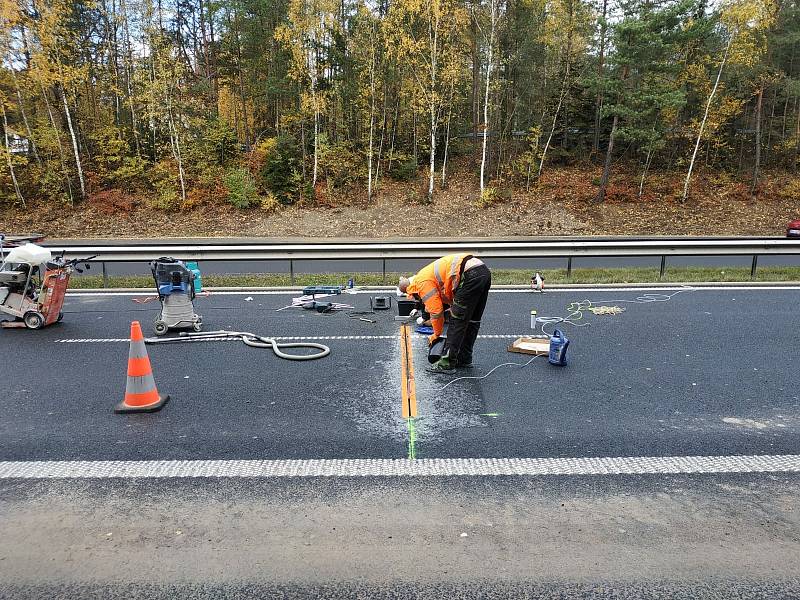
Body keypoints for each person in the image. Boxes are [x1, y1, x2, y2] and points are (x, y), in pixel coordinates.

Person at [399, 253, 491, 373]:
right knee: (473, 319)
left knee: (457, 320)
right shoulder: (424, 276)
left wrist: (436, 335)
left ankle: (447, 363)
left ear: (411, 290)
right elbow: (448, 295)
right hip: (483, 272)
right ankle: (464, 358)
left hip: (469, 275)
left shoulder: (422, 283)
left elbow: (436, 313)